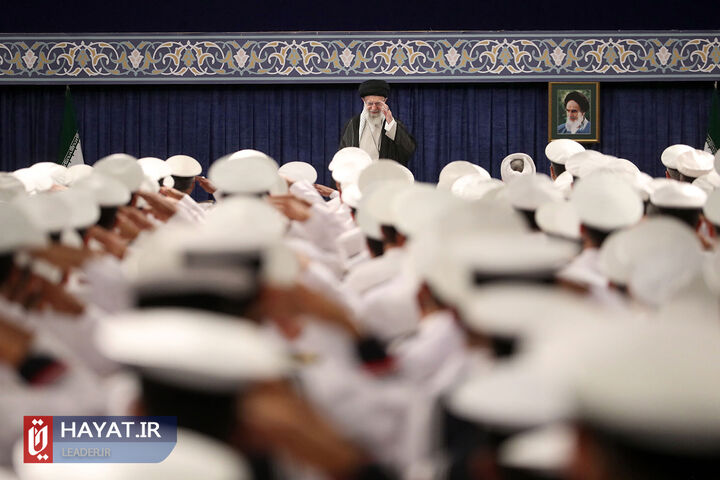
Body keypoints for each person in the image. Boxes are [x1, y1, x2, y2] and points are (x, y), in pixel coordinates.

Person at [339, 80, 416, 167]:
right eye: (370, 103)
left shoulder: (392, 124)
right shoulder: (353, 125)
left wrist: (390, 123)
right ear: (363, 101)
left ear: (385, 101)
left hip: (385, 177)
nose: (374, 108)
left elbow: (409, 149)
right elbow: (343, 155)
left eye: (378, 104)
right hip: (359, 177)